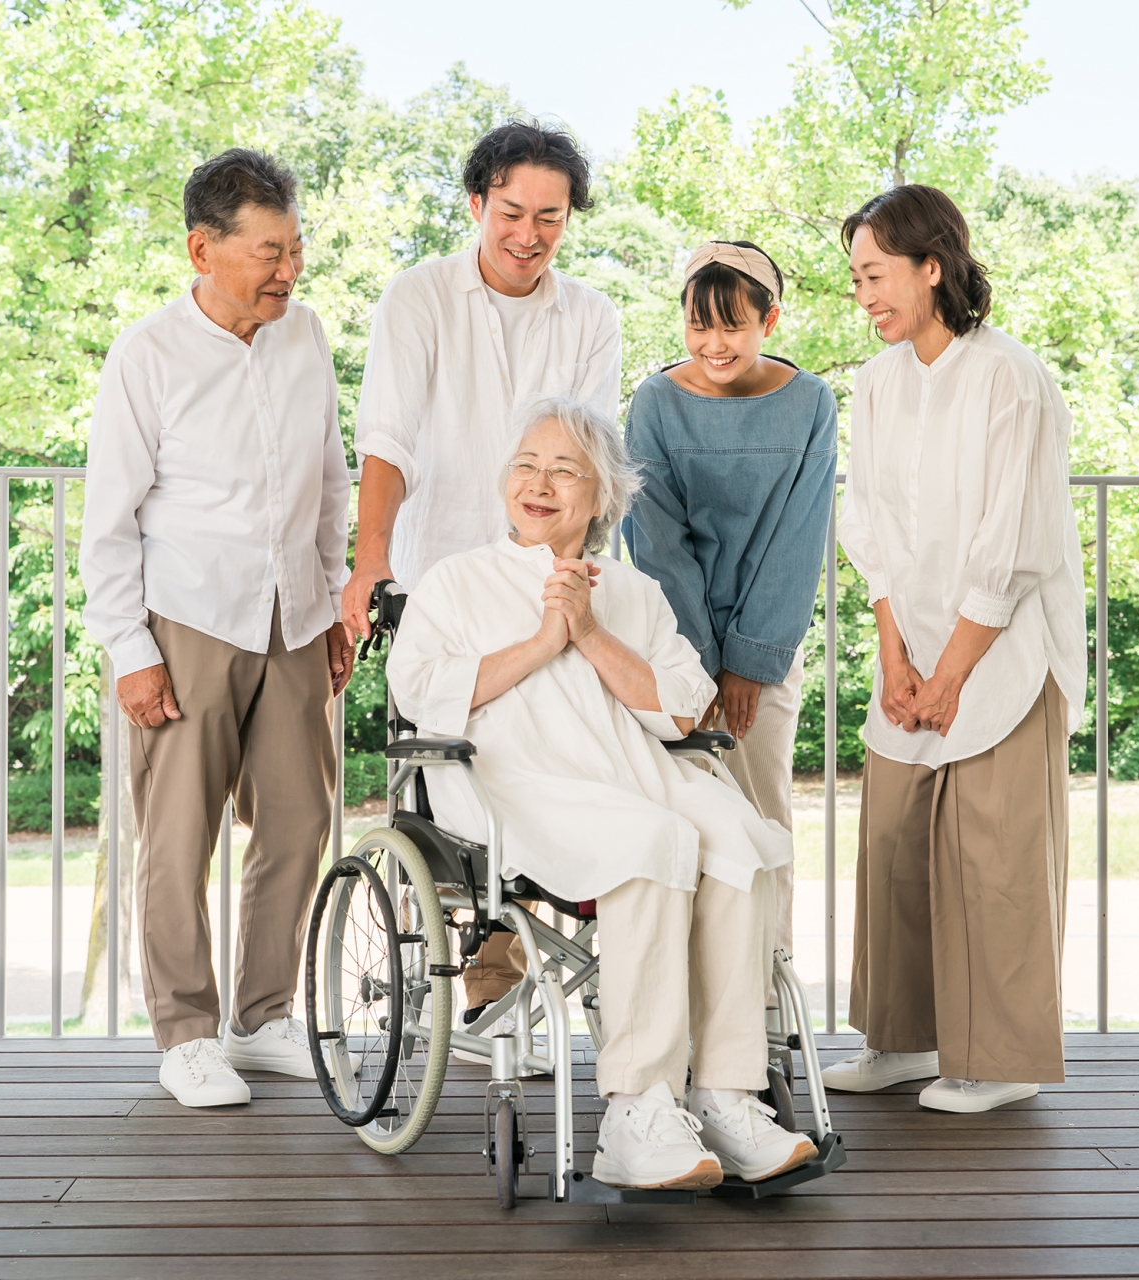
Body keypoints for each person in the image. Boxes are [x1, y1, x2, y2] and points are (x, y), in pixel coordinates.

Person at [385, 396, 816, 1189]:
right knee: (653, 839)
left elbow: (681, 708)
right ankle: (636, 1110)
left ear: (603, 495)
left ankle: (726, 1094)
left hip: (634, 775)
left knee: (739, 838)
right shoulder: (456, 581)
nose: (538, 484)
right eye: (526, 466)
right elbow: (419, 690)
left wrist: (588, 632)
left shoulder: (632, 591)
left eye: (563, 471)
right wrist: (543, 641)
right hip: (508, 782)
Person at [79, 148, 354, 1108]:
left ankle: (263, 1016)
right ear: (203, 249)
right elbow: (109, 519)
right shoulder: (147, 354)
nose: (290, 269)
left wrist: (332, 601)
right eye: (269, 252)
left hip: (295, 615)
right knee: (178, 835)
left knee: (298, 821)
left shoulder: (305, 334)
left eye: (296, 248)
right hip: (189, 618)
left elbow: (330, 480)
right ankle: (186, 1034)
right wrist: (130, 650)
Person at [346, 120, 621, 1038]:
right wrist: (371, 562)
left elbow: (587, 455)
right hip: (439, 583)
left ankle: (506, 975)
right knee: (448, 777)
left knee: (546, 761)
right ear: (476, 205)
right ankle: (456, 965)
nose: (528, 235)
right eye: (511, 212)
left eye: (550, 217)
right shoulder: (419, 297)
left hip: (541, 581)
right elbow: (388, 439)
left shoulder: (590, 316)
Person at [822, 184, 1086, 1114]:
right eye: (856, 279)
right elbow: (872, 530)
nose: (864, 296)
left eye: (877, 275)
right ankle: (902, 1041)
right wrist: (897, 662)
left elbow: (1012, 543)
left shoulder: (1011, 377)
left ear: (932, 266)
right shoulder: (875, 382)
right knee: (892, 844)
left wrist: (952, 673)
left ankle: (1003, 1060)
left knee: (994, 858)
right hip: (914, 652)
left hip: (1002, 651)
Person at [623, 241, 837, 956]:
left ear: (768, 321)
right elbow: (657, 540)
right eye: (698, 325)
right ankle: (686, 991)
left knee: (763, 812)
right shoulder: (655, 401)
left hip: (766, 653)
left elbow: (799, 539)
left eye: (733, 326)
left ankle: (769, 989)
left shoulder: (811, 402)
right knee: (679, 817)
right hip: (671, 650)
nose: (714, 344)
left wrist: (747, 661)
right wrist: (701, 663)